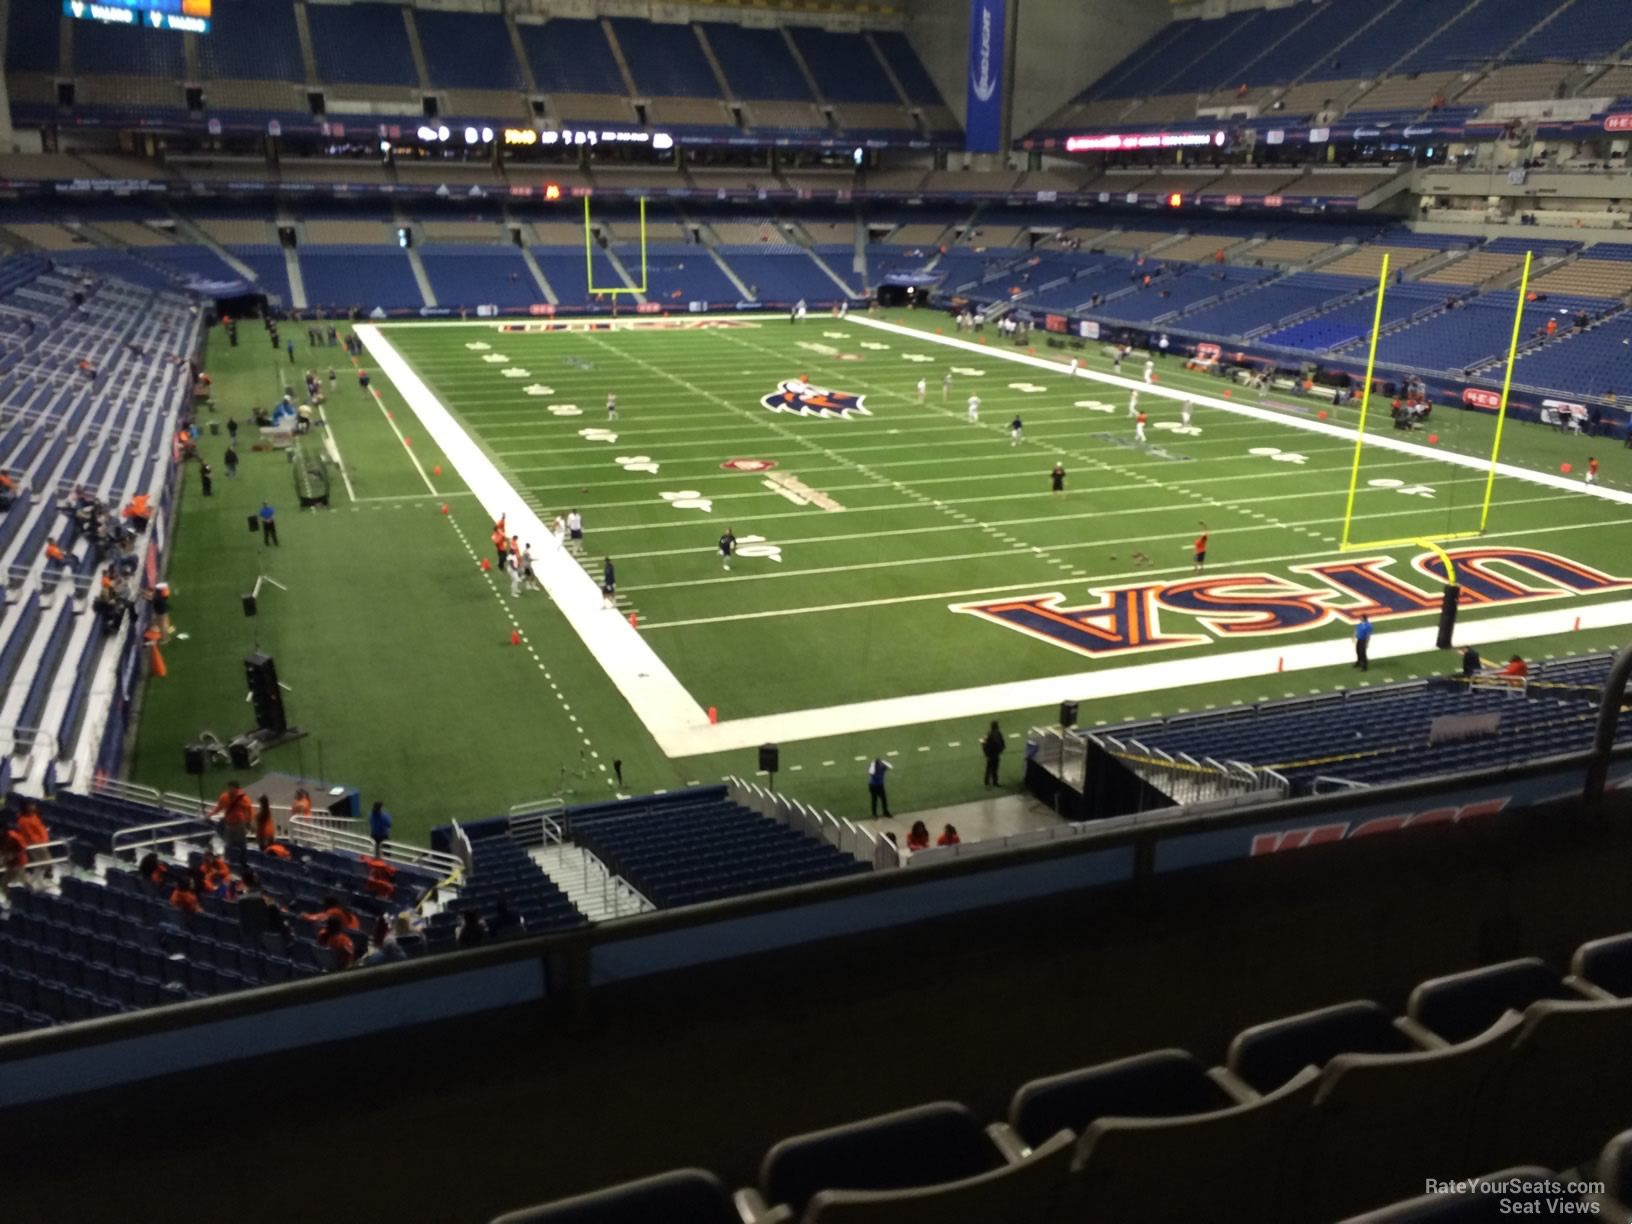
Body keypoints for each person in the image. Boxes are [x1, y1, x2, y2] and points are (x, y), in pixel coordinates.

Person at [207, 780, 253, 860]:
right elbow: (218, 808)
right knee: (229, 843)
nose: (229, 789)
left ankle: (243, 859)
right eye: (229, 788)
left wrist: (248, 823)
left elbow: (249, 810)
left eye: (231, 787)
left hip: (239, 825)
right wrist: (209, 815)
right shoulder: (224, 797)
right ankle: (230, 859)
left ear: (236, 788)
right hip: (229, 825)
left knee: (241, 844)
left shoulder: (243, 798)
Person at [981, 720, 1005, 786]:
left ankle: (987, 781)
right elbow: (1001, 742)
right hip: (994, 754)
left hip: (992, 754)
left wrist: (986, 754)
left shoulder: (990, 734)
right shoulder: (996, 734)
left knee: (990, 768)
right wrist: (1001, 749)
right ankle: (993, 782)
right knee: (993, 768)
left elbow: (984, 744)